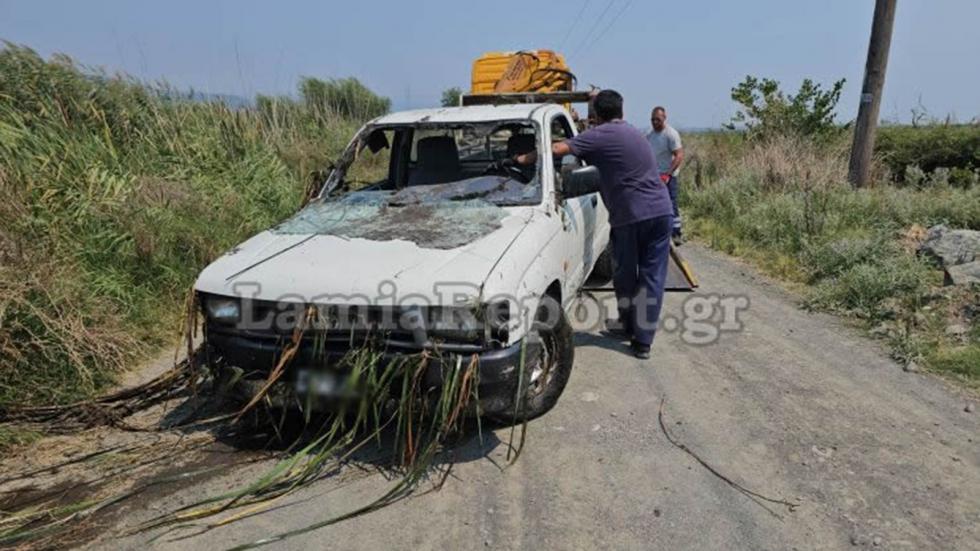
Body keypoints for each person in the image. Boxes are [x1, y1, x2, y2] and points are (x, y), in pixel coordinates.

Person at [550, 90, 673, 359]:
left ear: (596, 116)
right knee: (652, 277)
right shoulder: (633, 133)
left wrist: (519, 158)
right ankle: (642, 341)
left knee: (626, 275)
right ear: (622, 111)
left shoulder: (599, 134)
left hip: (631, 216)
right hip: (661, 212)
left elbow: (558, 149)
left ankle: (630, 327)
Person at [647, 106, 684, 242]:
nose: (655, 122)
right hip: (655, 175)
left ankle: (676, 233)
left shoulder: (671, 134)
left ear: (664, 118)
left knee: (671, 203)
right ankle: (658, 231)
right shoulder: (650, 135)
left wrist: (668, 174)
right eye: (652, 120)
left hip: (668, 176)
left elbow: (679, 155)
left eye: (658, 119)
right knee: (655, 204)